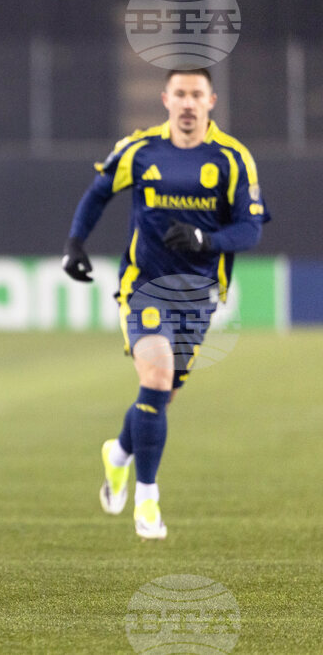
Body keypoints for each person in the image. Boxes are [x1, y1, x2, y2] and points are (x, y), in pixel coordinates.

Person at [61, 69, 270, 540]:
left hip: (198, 293)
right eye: (181, 94)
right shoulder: (139, 149)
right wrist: (75, 244)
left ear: (211, 100)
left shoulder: (234, 158)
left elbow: (250, 229)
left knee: (161, 396)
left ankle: (118, 455)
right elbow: (98, 194)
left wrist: (204, 238)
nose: (189, 103)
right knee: (154, 378)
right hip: (144, 285)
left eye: (197, 94)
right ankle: (147, 501)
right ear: (166, 99)